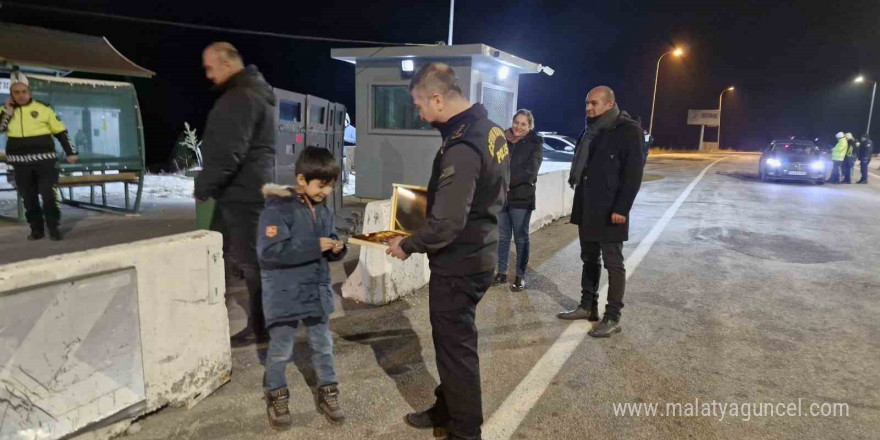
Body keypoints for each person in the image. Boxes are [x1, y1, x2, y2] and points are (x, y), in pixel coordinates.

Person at [385, 62, 509, 440]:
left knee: (456, 353)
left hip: (460, 265)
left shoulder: (464, 144)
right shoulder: (489, 131)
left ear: (438, 98)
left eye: (421, 106)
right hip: (478, 252)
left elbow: (447, 224)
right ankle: (445, 409)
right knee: (450, 347)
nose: (420, 115)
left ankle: (465, 432)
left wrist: (407, 244)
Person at [258, 147, 347, 430]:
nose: (326, 191)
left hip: (315, 291)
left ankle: (329, 392)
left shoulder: (324, 210)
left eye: (331, 185)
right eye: (321, 185)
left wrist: (335, 248)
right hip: (285, 293)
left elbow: (327, 239)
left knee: (323, 346)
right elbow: (270, 252)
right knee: (281, 350)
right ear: (301, 179)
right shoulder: (276, 209)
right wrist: (314, 246)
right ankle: (276, 394)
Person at [194, 42, 277, 346]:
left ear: (227, 64)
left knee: (249, 263)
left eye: (210, 67)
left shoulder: (240, 96)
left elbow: (228, 152)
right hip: (251, 189)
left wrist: (203, 187)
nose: (208, 74)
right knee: (247, 260)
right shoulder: (257, 93)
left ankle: (262, 327)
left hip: (241, 193)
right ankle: (263, 323)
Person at [558, 86, 643, 338]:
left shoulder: (628, 131)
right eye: (586, 103)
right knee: (589, 258)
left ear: (609, 104)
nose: (588, 108)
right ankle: (588, 306)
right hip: (588, 205)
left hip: (610, 210)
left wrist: (621, 208)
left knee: (614, 263)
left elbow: (633, 174)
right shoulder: (590, 130)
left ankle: (613, 316)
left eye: (593, 103)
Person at [0, 73, 78, 241]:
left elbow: (61, 132)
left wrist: (71, 152)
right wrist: (8, 112)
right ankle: (37, 229)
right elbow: (1, 129)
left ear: (29, 92)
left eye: (23, 91)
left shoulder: (43, 109)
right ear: (11, 94)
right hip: (20, 163)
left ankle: (53, 227)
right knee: (28, 197)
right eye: (16, 92)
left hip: (45, 161)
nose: (20, 95)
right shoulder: (4, 110)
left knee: (48, 194)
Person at [492, 109, 543, 291]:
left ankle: (520, 276)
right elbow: (494, 164)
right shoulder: (502, 139)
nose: (518, 127)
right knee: (503, 236)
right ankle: (501, 272)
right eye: (516, 122)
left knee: (521, 238)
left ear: (529, 126)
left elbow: (531, 170)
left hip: (521, 196)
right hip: (502, 197)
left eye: (523, 124)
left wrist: (507, 182)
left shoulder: (535, 142)